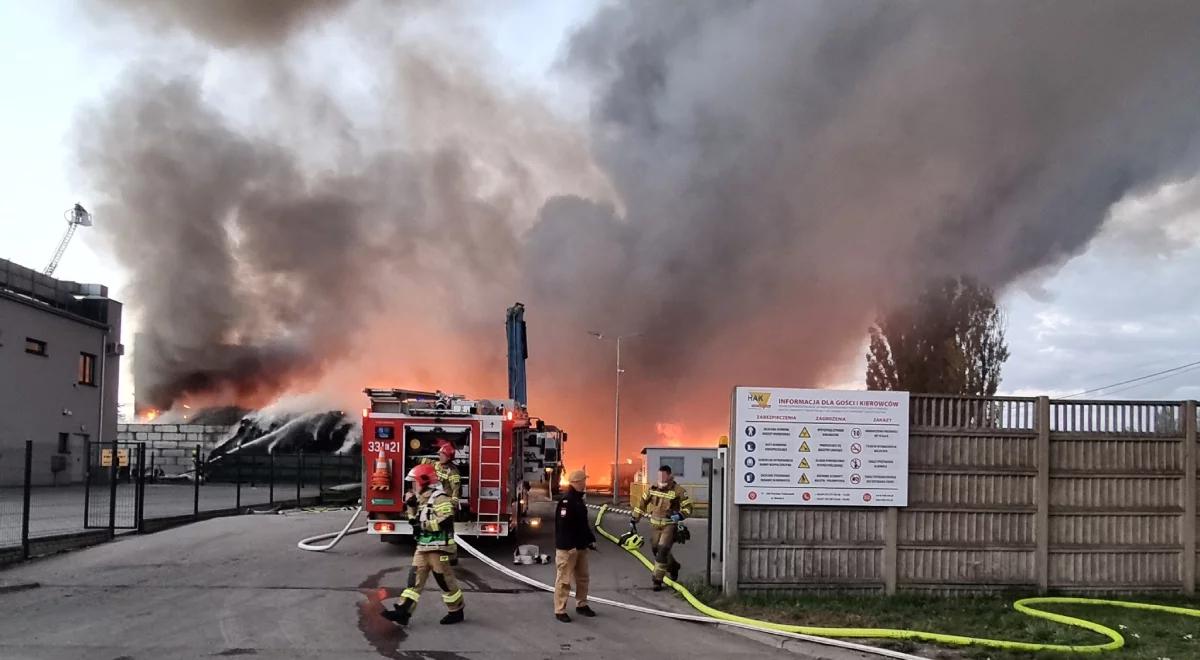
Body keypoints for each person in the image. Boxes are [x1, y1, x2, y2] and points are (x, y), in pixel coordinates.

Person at [381, 463, 465, 626]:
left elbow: (446, 520)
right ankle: (403, 611)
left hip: (438, 548)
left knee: (444, 579)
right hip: (423, 547)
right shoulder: (420, 500)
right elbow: (414, 523)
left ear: (424, 482)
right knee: (414, 580)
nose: (413, 486)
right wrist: (411, 507)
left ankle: (456, 610)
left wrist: (424, 526)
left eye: (415, 482)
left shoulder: (440, 498)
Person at [631, 464, 692, 591]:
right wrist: (634, 519)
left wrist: (679, 515)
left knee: (663, 549)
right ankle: (673, 566)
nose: (661, 479)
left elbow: (688, 507)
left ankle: (657, 580)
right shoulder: (652, 488)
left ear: (669, 476)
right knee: (655, 549)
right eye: (660, 476)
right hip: (654, 525)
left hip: (669, 525)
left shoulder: (678, 490)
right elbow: (641, 504)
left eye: (664, 476)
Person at [554, 469, 597, 622]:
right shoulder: (567, 501)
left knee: (583, 578)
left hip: (581, 547)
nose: (585, 483)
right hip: (568, 549)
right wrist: (569, 546)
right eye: (584, 481)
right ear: (577, 483)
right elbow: (563, 526)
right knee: (564, 580)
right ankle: (560, 610)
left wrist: (590, 539)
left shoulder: (578, 500)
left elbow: (582, 525)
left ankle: (582, 604)